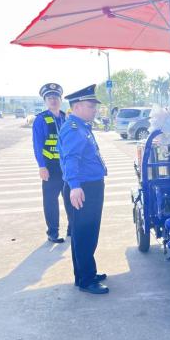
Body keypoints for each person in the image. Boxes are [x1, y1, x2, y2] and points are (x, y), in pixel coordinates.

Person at [58, 85, 109, 294]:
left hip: (89, 185)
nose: (94, 110)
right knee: (84, 233)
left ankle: (84, 273)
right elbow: (71, 159)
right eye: (90, 106)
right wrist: (75, 186)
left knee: (85, 233)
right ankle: (87, 280)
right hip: (84, 187)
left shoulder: (81, 125)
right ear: (77, 107)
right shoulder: (74, 129)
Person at [32, 83, 70, 243]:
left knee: (70, 198)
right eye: (49, 98)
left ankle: (72, 228)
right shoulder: (41, 120)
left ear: (60, 99)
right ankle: (53, 232)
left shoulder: (66, 118)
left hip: (67, 167)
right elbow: (37, 144)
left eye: (55, 97)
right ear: (45, 101)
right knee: (50, 201)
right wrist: (42, 166)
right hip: (50, 166)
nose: (53, 100)